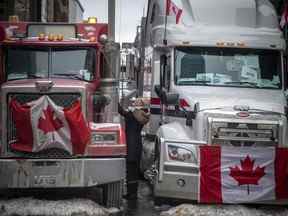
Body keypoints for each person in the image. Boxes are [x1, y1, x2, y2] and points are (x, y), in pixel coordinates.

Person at [118, 99, 150, 200]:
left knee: (130, 170)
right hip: (137, 144)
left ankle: (131, 194)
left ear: (141, 104)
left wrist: (115, 101)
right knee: (134, 170)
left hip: (131, 144)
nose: (134, 102)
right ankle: (133, 193)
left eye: (137, 101)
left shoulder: (135, 114)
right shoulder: (141, 114)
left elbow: (122, 112)